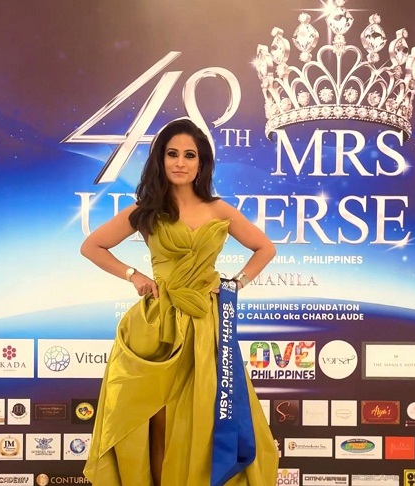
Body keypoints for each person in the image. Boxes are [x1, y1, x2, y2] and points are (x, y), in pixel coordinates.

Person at [80, 118, 279, 485]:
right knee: (155, 418)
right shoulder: (146, 209)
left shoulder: (219, 210)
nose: (180, 162)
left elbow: (265, 248)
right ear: (161, 159)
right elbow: (92, 246)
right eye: (172, 154)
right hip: (158, 325)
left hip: (206, 325)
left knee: (204, 416)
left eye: (190, 155)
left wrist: (236, 283)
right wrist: (134, 275)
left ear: (201, 163)